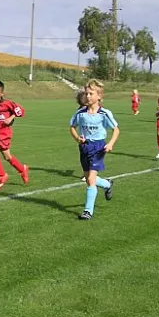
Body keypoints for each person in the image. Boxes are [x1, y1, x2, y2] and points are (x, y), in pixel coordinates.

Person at [69, 79, 119, 220]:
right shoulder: (81, 113)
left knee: (90, 179)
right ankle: (108, 184)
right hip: (84, 148)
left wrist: (110, 144)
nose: (88, 96)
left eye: (91, 93)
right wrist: (77, 138)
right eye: (87, 93)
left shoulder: (104, 113)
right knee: (89, 179)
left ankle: (88, 211)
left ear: (99, 96)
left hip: (98, 148)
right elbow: (72, 127)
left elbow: (116, 129)